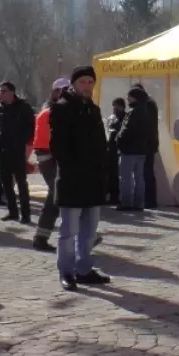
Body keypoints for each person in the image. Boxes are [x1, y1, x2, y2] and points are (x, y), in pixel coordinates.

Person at [51, 67, 112, 290]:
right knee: (68, 231)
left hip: (93, 179)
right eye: (83, 82)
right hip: (72, 179)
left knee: (89, 231)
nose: (87, 86)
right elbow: (58, 146)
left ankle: (83, 268)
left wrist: (103, 171)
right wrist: (71, 169)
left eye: (90, 82)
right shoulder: (62, 108)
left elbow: (100, 144)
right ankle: (66, 271)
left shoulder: (93, 109)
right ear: (74, 84)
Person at [31, 79, 69, 252]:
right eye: (62, 90)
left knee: (55, 198)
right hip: (48, 157)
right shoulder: (50, 111)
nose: (66, 93)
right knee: (61, 194)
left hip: (53, 156)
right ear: (55, 91)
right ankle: (80, 236)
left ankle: (41, 236)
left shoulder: (59, 108)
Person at [0, 81, 36, 224]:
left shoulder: (23, 107)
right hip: (1, 150)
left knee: (21, 183)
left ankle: (26, 214)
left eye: (3, 91)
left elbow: (31, 127)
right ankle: (12, 212)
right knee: (6, 182)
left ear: (12, 92)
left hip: (17, 150)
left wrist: (21, 140)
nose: (0, 94)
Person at [117, 86, 160, 211]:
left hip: (129, 149)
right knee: (140, 177)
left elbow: (126, 130)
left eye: (129, 96)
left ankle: (126, 202)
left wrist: (118, 140)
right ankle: (139, 202)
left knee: (126, 177)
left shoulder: (133, 112)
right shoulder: (146, 111)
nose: (127, 99)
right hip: (142, 149)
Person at [106, 97, 126, 206]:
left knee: (117, 175)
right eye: (114, 107)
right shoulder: (112, 118)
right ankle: (111, 195)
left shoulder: (126, 118)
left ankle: (116, 196)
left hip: (120, 149)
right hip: (111, 149)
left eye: (117, 107)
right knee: (111, 174)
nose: (115, 109)